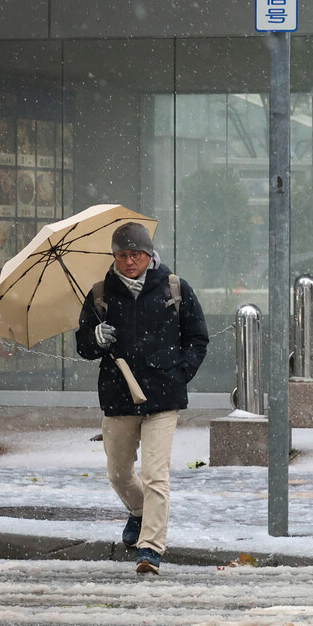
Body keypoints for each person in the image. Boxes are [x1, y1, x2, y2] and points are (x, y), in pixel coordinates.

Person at [75, 222, 208, 575]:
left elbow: (197, 339)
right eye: (122, 255)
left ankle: (150, 549)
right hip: (118, 398)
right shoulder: (101, 294)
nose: (129, 261)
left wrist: (180, 375)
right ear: (114, 257)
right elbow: (83, 346)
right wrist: (96, 336)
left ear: (149, 255)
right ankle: (138, 511)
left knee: (155, 475)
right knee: (119, 473)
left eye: (136, 254)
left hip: (163, 398)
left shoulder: (174, 287)